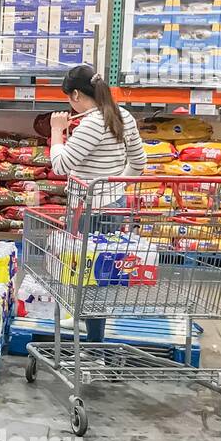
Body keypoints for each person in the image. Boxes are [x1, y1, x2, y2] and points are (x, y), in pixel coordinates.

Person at [48, 65, 147, 341]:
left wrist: (57, 132)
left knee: (89, 273)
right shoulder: (121, 114)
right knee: (98, 271)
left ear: (76, 94)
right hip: (112, 204)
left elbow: (60, 165)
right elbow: (139, 162)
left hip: (89, 208)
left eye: (69, 97)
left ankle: (94, 340)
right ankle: (86, 320)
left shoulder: (92, 123)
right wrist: (115, 186)